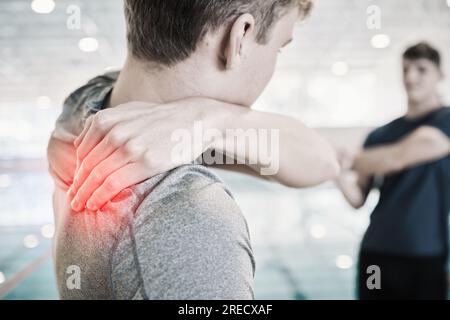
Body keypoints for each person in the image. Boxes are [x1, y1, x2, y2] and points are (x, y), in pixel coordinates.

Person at [48, 0, 339, 299]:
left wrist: (210, 119)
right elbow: (324, 164)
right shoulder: (191, 216)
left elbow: (322, 163)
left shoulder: (84, 103)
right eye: (279, 46)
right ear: (240, 35)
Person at [336, 42, 450, 300]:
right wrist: (336, 166)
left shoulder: (445, 121)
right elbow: (357, 199)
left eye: (421, 69)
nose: (411, 77)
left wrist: (354, 159)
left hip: (426, 255)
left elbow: (399, 157)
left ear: (440, 75)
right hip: (376, 253)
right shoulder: (379, 135)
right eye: (406, 69)